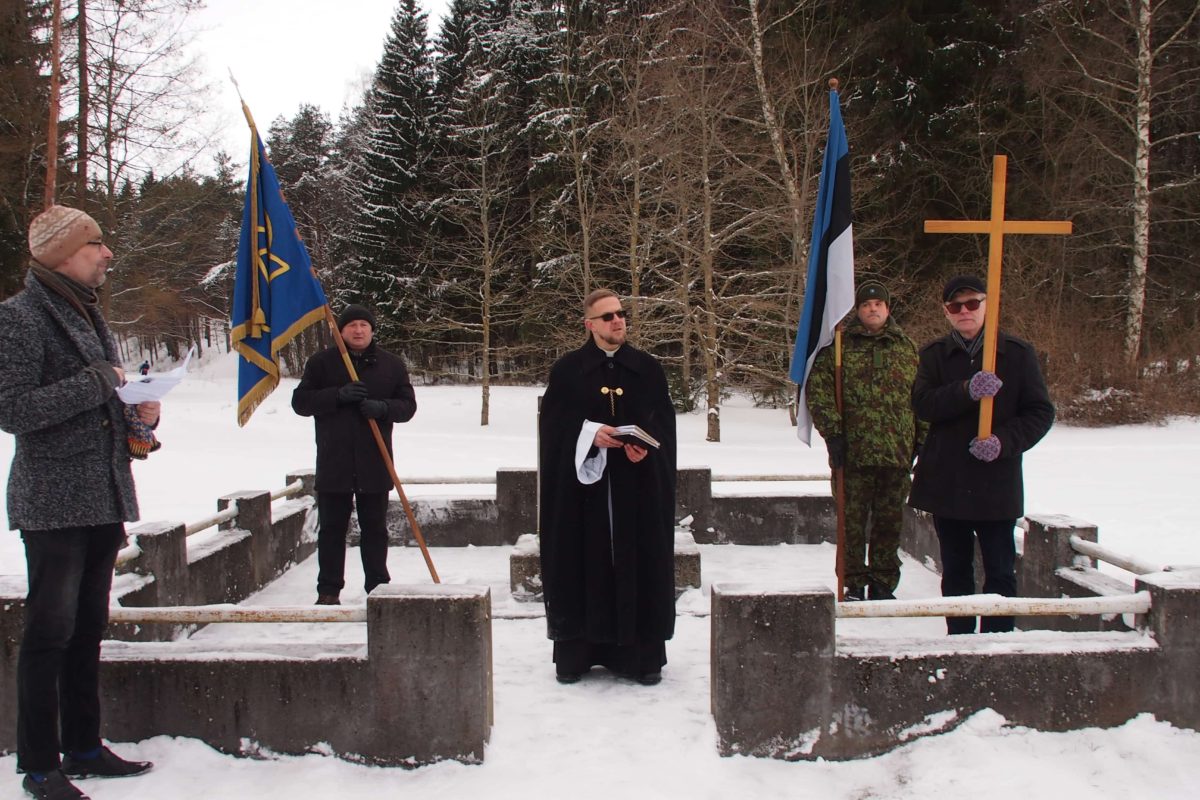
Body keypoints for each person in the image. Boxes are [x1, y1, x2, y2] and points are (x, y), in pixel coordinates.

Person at [0, 205, 157, 800]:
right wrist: (100, 381)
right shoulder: (17, 318)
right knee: (49, 633)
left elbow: (103, 400)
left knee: (89, 627)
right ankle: (40, 765)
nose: (107, 254)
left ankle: (85, 746)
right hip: (53, 501)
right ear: (63, 253)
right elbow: (12, 409)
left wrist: (140, 414)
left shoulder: (90, 315)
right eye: (97, 244)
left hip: (103, 494)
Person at [538, 289, 677, 686]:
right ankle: (578, 653)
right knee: (583, 557)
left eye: (621, 314)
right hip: (585, 495)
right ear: (590, 325)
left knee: (640, 558)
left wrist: (646, 447)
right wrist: (588, 434)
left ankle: (642, 656)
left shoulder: (647, 368)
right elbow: (553, 427)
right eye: (608, 316)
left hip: (637, 488)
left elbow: (661, 423)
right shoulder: (568, 370)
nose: (618, 321)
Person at [909, 275, 1055, 634]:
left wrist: (1003, 442)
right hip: (949, 481)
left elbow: (1039, 412)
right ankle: (959, 641)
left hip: (995, 482)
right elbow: (922, 404)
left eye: (972, 303)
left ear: (986, 305)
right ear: (946, 312)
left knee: (1000, 571)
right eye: (955, 307)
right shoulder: (934, 355)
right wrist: (965, 390)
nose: (964, 312)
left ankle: (997, 642)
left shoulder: (1017, 355)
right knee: (956, 571)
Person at [291, 304, 417, 606]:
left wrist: (382, 408)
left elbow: (408, 406)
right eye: (351, 326)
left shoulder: (391, 365)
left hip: (375, 462)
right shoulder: (322, 363)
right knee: (332, 530)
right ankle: (329, 590)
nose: (358, 331)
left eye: (363, 325)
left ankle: (378, 586)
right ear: (340, 330)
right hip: (335, 464)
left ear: (372, 330)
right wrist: (337, 395)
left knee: (375, 530)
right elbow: (301, 402)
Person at [807, 280, 923, 601]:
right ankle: (854, 581)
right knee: (852, 525)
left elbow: (922, 398)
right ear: (857, 310)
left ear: (888, 309)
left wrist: (922, 439)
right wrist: (833, 434)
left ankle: (884, 583)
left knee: (889, 524)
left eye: (878, 304)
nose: (873, 309)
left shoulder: (907, 348)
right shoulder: (841, 347)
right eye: (866, 305)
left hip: (896, 454)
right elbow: (819, 392)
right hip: (852, 455)